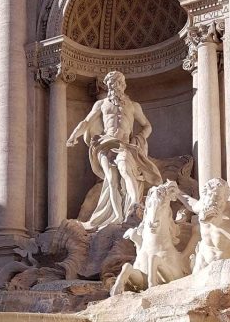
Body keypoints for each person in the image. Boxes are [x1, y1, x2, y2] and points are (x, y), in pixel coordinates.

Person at [67, 70, 162, 229]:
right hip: (105, 143)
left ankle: (135, 206)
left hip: (124, 144)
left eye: (118, 83)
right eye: (111, 84)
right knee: (111, 179)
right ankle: (118, 215)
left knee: (125, 168)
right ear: (108, 86)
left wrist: (138, 138)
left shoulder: (133, 106)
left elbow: (147, 126)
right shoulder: (101, 104)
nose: (114, 86)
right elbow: (86, 122)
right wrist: (74, 135)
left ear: (123, 85)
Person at [177, 178, 230, 272]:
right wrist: (177, 191)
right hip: (203, 257)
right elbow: (190, 203)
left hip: (225, 261)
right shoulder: (204, 205)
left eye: (217, 197)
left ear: (225, 197)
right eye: (209, 195)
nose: (212, 201)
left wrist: (220, 224)